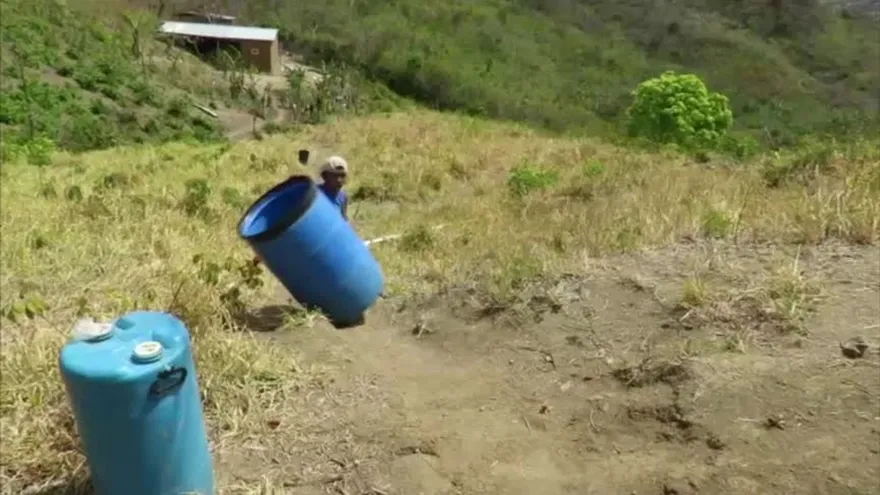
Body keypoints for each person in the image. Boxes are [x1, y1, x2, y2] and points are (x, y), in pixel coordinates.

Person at [317, 155, 349, 221]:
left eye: (342, 176)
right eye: (335, 176)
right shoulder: (315, 193)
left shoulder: (343, 196)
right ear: (325, 176)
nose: (339, 180)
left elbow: (343, 218)